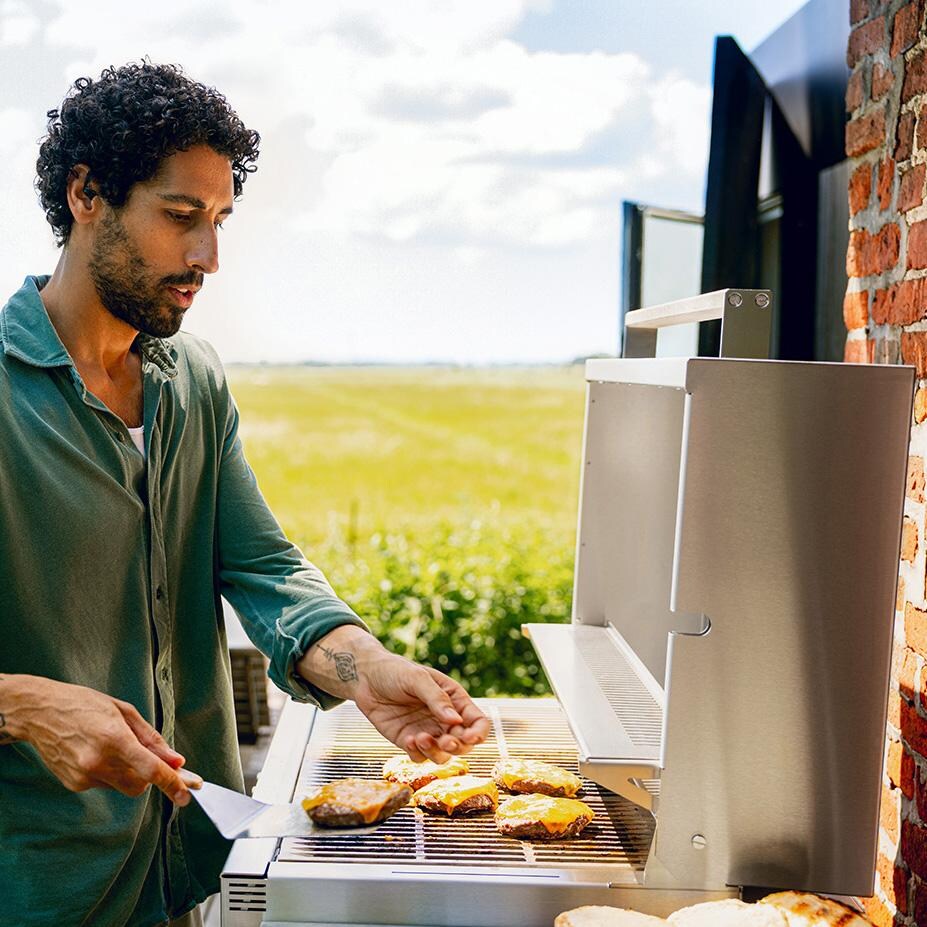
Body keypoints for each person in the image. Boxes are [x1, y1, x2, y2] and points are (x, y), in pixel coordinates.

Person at [0, 61, 490, 926]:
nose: (207, 258)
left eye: (219, 222)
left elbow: (260, 565)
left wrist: (367, 671)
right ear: (86, 195)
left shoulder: (192, 378)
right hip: (37, 885)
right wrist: (28, 703)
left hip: (178, 868)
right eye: (181, 217)